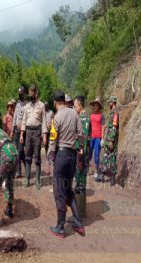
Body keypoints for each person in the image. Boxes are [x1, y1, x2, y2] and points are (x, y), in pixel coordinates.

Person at [49, 90, 85, 239]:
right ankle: (78, 223)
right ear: (64, 100)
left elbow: (52, 142)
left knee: (59, 191)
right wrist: (81, 148)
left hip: (61, 156)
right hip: (72, 156)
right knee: (68, 189)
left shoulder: (56, 117)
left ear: (55, 102)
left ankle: (60, 227)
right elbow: (82, 134)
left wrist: (50, 158)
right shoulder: (74, 114)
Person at [20, 84, 47, 190]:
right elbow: (23, 120)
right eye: (29, 92)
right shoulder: (27, 106)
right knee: (27, 156)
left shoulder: (41, 105)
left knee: (37, 157)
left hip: (37, 133)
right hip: (28, 132)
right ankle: (27, 179)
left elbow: (44, 121)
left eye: (32, 92)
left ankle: (37, 181)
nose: (30, 94)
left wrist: (44, 136)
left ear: (36, 93)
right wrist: (22, 134)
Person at [96, 95, 119, 186]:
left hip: (111, 141)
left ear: (112, 103)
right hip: (108, 140)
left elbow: (114, 127)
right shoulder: (112, 113)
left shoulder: (115, 113)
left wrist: (111, 141)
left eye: (109, 102)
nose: (108, 103)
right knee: (106, 157)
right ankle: (102, 175)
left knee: (111, 158)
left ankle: (112, 178)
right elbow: (110, 126)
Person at [74, 96, 91, 218]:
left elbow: (83, 139)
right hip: (83, 155)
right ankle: (82, 212)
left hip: (82, 156)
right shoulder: (83, 117)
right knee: (81, 183)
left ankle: (79, 214)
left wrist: (79, 158)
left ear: (80, 105)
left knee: (80, 183)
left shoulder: (84, 118)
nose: (74, 108)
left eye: (75, 106)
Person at [10, 86, 27, 178]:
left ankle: (23, 168)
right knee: (17, 152)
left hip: (23, 131)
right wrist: (12, 130)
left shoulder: (27, 105)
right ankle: (19, 171)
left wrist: (23, 126)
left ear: (24, 94)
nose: (20, 96)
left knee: (20, 151)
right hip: (16, 130)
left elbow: (27, 118)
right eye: (19, 94)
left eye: (21, 94)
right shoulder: (17, 105)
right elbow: (15, 117)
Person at [89, 98, 106, 178]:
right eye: (94, 105)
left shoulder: (101, 115)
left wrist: (102, 138)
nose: (95, 106)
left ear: (99, 106)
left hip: (98, 137)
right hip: (91, 137)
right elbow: (89, 126)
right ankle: (87, 168)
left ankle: (96, 170)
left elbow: (103, 127)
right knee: (89, 153)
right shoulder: (91, 115)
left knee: (96, 154)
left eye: (97, 105)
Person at [45, 101, 55, 176]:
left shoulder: (51, 112)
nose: (46, 106)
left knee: (50, 145)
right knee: (46, 146)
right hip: (45, 131)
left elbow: (53, 120)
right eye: (45, 105)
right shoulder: (43, 112)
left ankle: (50, 160)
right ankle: (47, 158)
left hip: (51, 131)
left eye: (47, 105)